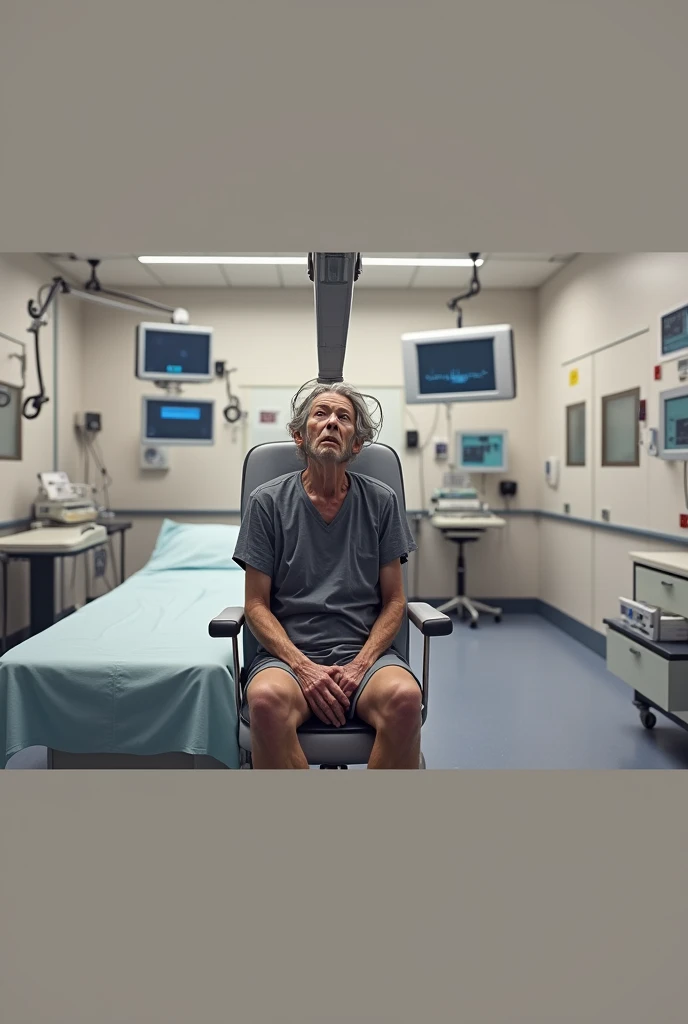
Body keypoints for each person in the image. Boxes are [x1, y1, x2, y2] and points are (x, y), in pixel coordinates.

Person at [232, 379, 422, 769]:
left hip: (366, 659)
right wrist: (302, 667)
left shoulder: (381, 502)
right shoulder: (267, 503)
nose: (331, 422)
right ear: (299, 437)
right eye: (321, 414)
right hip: (287, 659)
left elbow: (394, 601)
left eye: (343, 417)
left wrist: (359, 664)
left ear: (356, 444)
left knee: (405, 698)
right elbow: (255, 604)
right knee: (265, 701)